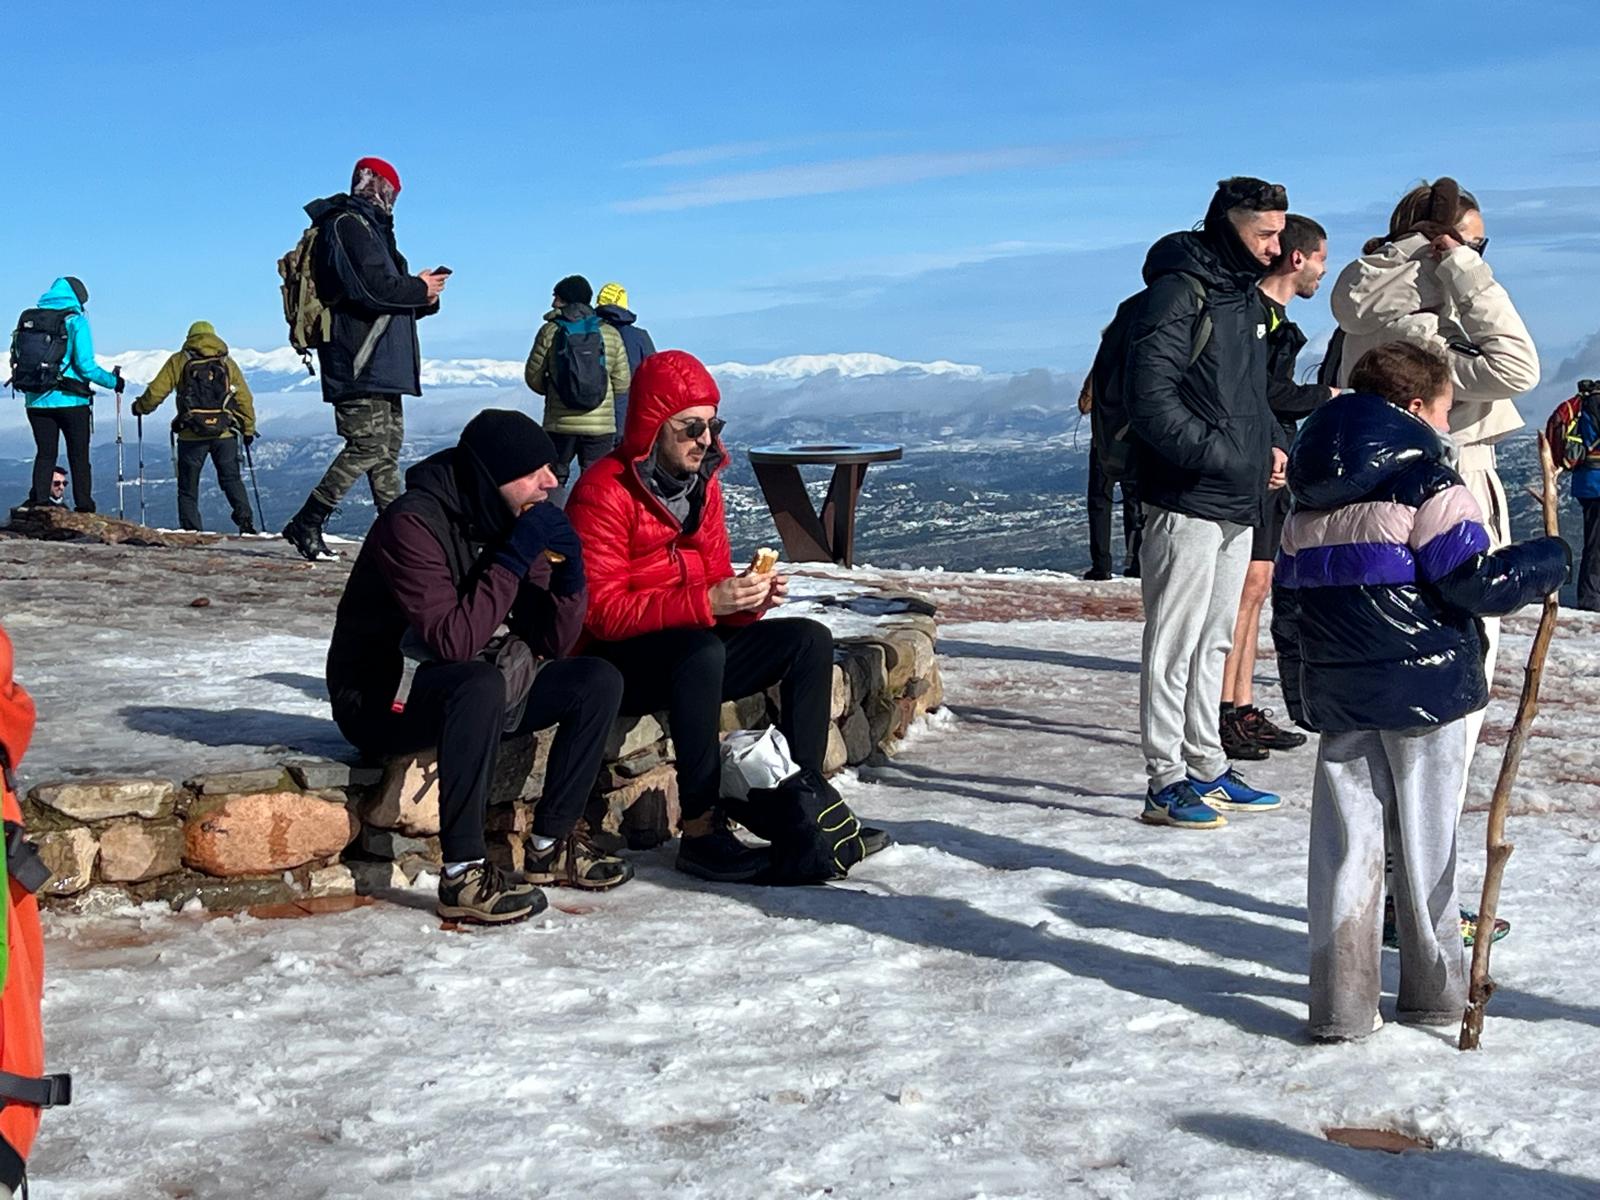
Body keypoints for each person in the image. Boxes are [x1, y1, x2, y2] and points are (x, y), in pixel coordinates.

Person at [1272, 341, 1566, 1040]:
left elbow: (1289, 610)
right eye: (1443, 410)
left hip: (1340, 692)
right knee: (1429, 842)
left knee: (1346, 846)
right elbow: (1474, 583)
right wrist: (1548, 559)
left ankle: (1341, 1006)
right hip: (1426, 689)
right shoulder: (1430, 486)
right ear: (1413, 409)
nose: (1445, 424)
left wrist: (1301, 693)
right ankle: (1435, 992)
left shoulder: (1304, 499)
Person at [566, 350, 886, 882]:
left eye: (713, 426)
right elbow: (600, 613)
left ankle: (805, 814)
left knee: (807, 639)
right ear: (652, 427)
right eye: (691, 428)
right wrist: (707, 604)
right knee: (701, 649)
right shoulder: (603, 491)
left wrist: (747, 599)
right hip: (622, 661)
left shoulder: (703, 486)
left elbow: (713, 581)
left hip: (691, 648)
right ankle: (701, 832)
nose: (706, 440)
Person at [326, 409, 628, 923]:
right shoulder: (412, 524)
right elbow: (454, 641)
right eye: (536, 472)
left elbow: (553, 641)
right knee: (477, 681)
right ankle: (463, 873)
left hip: (479, 687)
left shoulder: (512, 520)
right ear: (494, 478)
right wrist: (512, 557)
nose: (552, 482)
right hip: (383, 700)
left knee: (595, 678)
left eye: (551, 470)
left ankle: (551, 844)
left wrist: (570, 575)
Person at [1329, 178, 1537, 811]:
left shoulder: (1369, 304)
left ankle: (1397, 883)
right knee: (1453, 677)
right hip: (1450, 484)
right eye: (1472, 244)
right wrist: (1466, 272)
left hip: (1375, 499)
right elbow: (1517, 368)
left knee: (1391, 687)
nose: (1478, 257)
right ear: (1438, 246)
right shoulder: (1422, 328)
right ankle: (1419, 894)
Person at [1126, 177, 1290, 829]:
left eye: (1280, 235)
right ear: (1229, 225)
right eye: (1264, 235)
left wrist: (1271, 449)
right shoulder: (1178, 292)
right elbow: (1152, 399)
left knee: (1215, 638)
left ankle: (1207, 764)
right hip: (1185, 496)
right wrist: (1224, 456)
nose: (1276, 249)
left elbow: (1254, 397)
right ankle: (1164, 781)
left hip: (1236, 497)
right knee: (1174, 640)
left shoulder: (1242, 295)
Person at [282, 157, 449, 561]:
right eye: (390, 189)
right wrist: (416, 288)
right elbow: (370, 289)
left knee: (386, 449)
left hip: (382, 360)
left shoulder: (373, 232)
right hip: (359, 358)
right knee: (368, 445)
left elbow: (388, 294)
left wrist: (424, 295)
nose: (392, 198)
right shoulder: (346, 226)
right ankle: (309, 519)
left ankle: (397, 536)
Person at [1219, 214, 1336, 760]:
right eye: (1320, 261)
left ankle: (1241, 703)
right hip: (1259, 468)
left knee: (1258, 587)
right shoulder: (1258, 319)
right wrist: (1330, 397)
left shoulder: (1274, 320)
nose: (1322, 273)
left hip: (1273, 465)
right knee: (1244, 593)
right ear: (1299, 258)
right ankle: (1226, 708)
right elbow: (1264, 394)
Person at [131, 321, 259, 534]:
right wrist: (248, 428)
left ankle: (192, 531)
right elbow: (244, 397)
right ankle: (245, 522)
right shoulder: (227, 362)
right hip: (224, 433)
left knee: (188, 488)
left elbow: (156, 392)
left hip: (191, 434)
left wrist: (140, 408)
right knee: (231, 479)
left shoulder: (180, 361)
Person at [12, 277, 122, 513]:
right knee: (79, 454)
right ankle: (84, 504)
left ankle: (40, 501)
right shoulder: (75, 321)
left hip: (37, 400)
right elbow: (85, 366)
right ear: (78, 297)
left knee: (45, 452)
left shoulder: (30, 320)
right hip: (73, 401)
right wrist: (114, 382)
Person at [524, 275, 630, 499]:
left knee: (553, 480)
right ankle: (591, 530)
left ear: (566, 300)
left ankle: (554, 527)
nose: (553, 303)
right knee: (596, 481)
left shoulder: (550, 332)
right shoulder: (609, 334)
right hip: (600, 426)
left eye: (557, 297)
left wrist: (555, 390)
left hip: (559, 423)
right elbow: (622, 382)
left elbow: (533, 376)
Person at [1080, 375, 1141, 580]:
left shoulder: (1104, 364)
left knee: (1099, 504)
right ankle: (1136, 563)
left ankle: (1101, 566)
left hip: (1103, 444)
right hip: (1132, 444)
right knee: (1134, 505)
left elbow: (1084, 405)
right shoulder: (1139, 361)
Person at [1548, 380, 1600, 610]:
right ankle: (1591, 600)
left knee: (1594, 542)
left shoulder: (1584, 404)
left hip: (1587, 482)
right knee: (1596, 545)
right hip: (1596, 483)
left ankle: (1591, 598)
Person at [595, 282, 657, 447]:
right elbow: (655, 378)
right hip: (629, 419)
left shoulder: (589, 335)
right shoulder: (640, 338)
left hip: (594, 419)